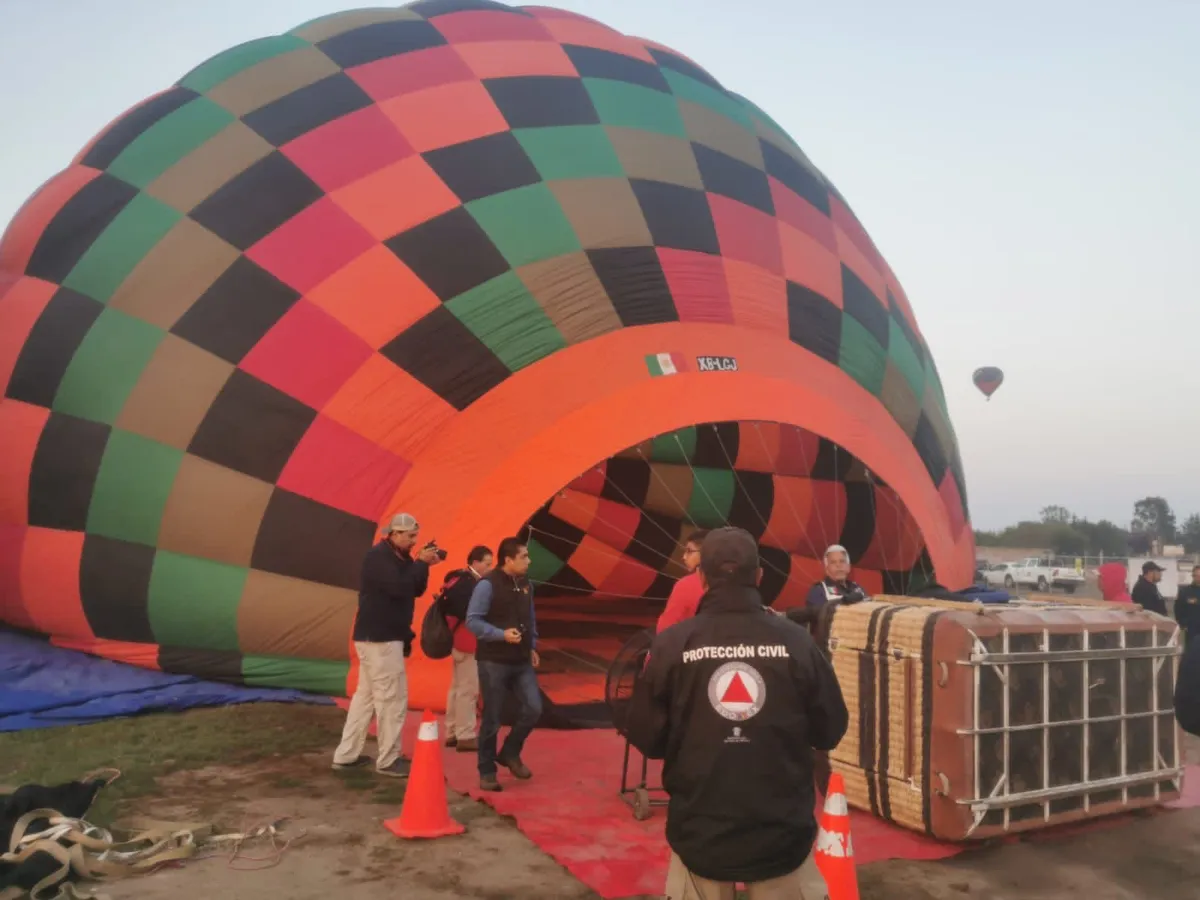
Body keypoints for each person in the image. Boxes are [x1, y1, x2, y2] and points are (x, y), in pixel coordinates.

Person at [625, 527, 849, 899]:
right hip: (781, 833)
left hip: (700, 831)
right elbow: (831, 729)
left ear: (700, 577)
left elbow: (646, 736)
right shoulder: (797, 642)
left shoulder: (670, 646)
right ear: (759, 576)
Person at [333, 513, 444, 777]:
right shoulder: (378, 557)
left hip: (381, 637)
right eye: (409, 536)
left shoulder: (398, 557)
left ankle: (346, 755)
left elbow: (414, 589)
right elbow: (397, 587)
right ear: (394, 534)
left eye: (415, 536)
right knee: (392, 699)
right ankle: (388, 760)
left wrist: (424, 565)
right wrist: (419, 563)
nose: (413, 541)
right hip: (380, 639)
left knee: (366, 698)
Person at [466, 537, 542, 792]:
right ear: (508, 560)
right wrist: (501, 634)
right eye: (524, 557)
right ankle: (487, 770)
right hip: (493, 661)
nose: (529, 561)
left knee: (534, 708)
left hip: (520, 659)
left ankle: (510, 752)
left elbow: (530, 616)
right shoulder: (487, 585)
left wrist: (532, 645)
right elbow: (473, 622)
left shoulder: (526, 584)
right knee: (493, 717)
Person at [438, 545, 494, 752]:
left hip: (456, 641)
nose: (490, 568)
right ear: (476, 562)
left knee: (456, 688)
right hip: (468, 642)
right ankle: (466, 735)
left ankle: (451, 731)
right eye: (488, 564)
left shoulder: (456, 579)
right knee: (469, 690)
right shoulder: (472, 585)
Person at [656, 529, 709, 633]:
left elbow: (665, 628)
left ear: (705, 553)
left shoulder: (685, 585)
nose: (684, 557)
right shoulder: (735, 582)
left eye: (689, 551)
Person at [1175, 566, 1200, 643]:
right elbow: (1178, 608)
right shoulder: (1185, 592)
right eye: (1196, 575)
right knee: (1191, 651)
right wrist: (1183, 623)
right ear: (1193, 576)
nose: (1198, 578)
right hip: (1191, 630)